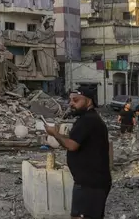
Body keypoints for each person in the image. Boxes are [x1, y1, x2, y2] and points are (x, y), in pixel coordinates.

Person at [45, 88, 111, 219]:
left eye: (76, 100)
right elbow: (76, 141)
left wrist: (55, 134)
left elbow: (72, 145)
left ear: (89, 101)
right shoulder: (88, 119)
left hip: (91, 183)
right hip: (88, 182)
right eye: (70, 100)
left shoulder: (88, 120)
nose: (71, 104)